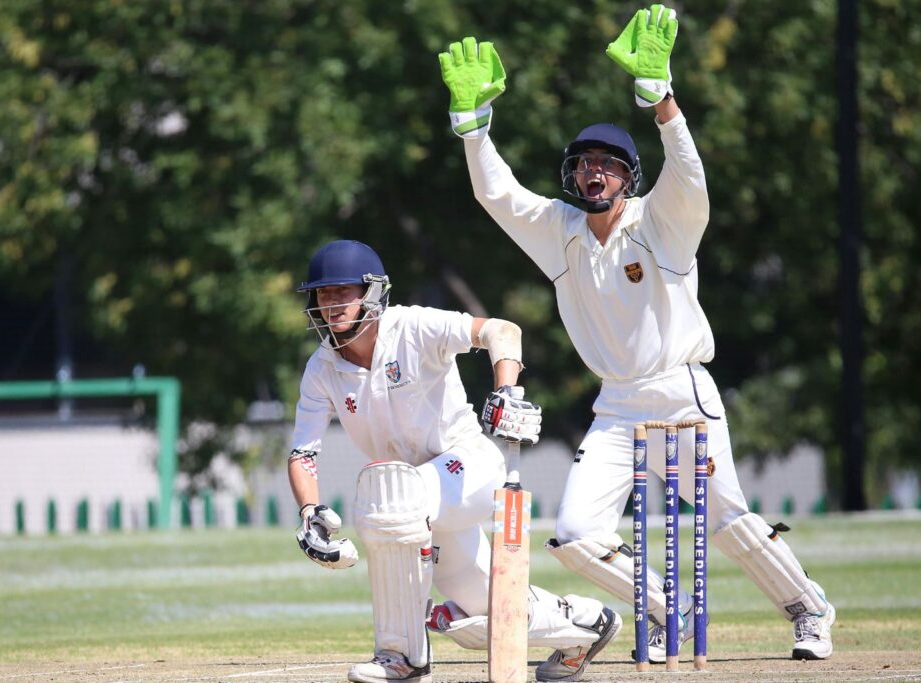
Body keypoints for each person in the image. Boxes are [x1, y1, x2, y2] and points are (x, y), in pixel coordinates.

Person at [437, 4, 835, 663]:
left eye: (608, 164)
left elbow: (691, 178)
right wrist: (473, 127)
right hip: (617, 406)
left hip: (681, 395)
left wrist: (662, 100)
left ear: (629, 176)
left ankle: (808, 607)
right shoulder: (560, 232)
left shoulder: (661, 223)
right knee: (574, 534)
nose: (594, 172)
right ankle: (668, 610)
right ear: (572, 176)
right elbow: (497, 195)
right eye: (584, 163)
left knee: (727, 522)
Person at [288, 239, 621, 683]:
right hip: (419, 500)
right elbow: (303, 453)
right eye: (323, 294)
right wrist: (309, 513)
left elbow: (502, 331)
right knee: (486, 610)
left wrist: (506, 392)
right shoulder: (322, 368)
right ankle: (583, 625)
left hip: (468, 466)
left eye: (342, 292)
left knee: (390, 496)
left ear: (372, 292)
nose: (331, 305)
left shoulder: (413, 327)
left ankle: (402, 656)